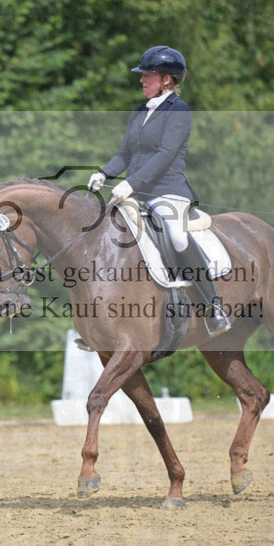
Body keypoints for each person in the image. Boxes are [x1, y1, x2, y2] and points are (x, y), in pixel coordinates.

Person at [87, 45, 230, 334]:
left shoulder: (179, 110)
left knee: (177, 237)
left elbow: (165, 155)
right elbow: (124, 154)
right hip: (135, 193)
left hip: (169, 191)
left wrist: (130, 182)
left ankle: (214, 305)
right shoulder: (140, 111)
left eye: (147, 76)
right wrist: (104, 173)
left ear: (167, 79)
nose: (141, 80)